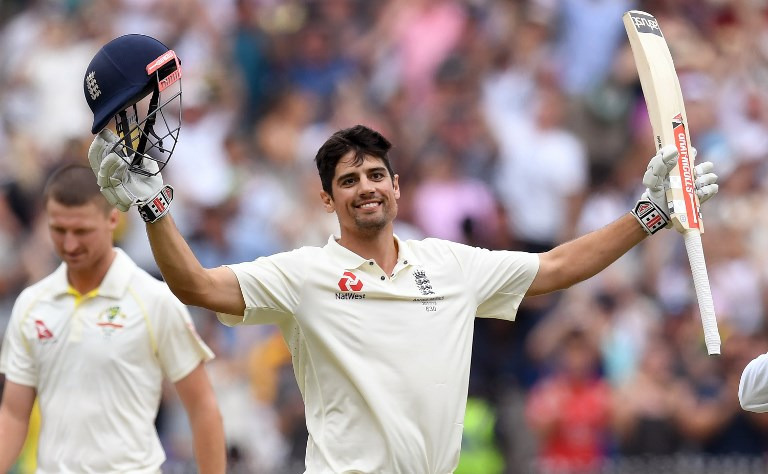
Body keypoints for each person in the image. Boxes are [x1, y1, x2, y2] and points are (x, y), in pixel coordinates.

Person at [83, 35, 719, 474]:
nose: (367, 187)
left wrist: (650, 216)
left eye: (376, 175)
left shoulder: (450, 265)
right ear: (329, 200)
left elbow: (554, 268)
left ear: (397, 185)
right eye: (350, 180)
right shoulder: (303, 274)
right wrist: (152, 205)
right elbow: (195, 285)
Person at [0, 165, 226, 473]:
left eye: (81, 231)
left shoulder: (153, 299)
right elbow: (14, 413)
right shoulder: (31, 303)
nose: (69, 244)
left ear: (112, 219)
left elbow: (203, 407)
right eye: (58, 230)